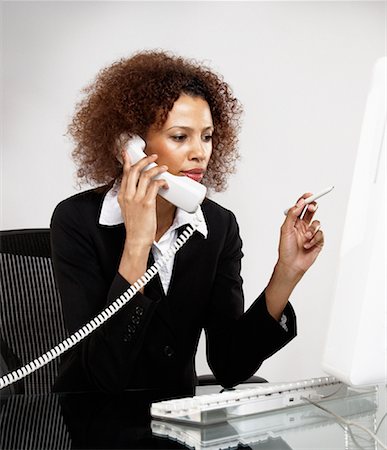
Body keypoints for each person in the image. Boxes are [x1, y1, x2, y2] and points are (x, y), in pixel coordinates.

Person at [51, 50, 324, 393]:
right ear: (130, 146)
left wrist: (286, 273)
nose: (200, 152)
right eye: (180, 137)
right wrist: (137, 241)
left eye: (206, 136)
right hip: (96, 429)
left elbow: (230, 365)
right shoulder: (78, 221)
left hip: (178, 430)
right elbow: (100, 376)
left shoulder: (218, 226)